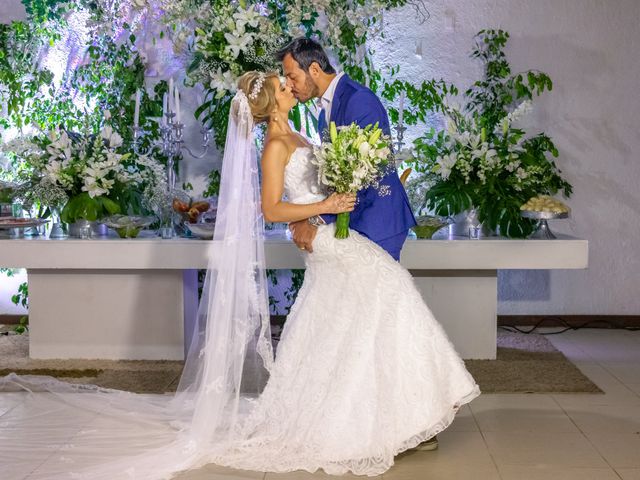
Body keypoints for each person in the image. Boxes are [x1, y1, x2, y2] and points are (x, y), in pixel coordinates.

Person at [0, 72, 478, 479]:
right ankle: (406, 410)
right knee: (389, 292)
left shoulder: (298, 135)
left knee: (353, 325)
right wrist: (323, 208)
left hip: (330, 234)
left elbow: (308, 193)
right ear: (274, 103)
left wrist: (342, 189)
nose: (292, 85)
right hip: (330, 240)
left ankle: (392, 414)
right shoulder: (274, 145)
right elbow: (272, 208)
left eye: (289, 79)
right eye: (284, 84)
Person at [277, 38, 417, 262]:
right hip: (354, 221)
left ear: (314, 69)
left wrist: (317, 219)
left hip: (377, 221)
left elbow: (366, 172)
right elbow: (339, 175)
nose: (290, 86)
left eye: (293, 77)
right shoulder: (324, 111)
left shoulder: (358, 100)